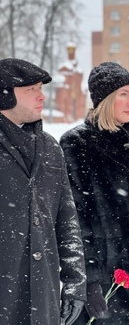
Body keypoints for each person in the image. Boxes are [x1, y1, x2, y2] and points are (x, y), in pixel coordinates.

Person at [60, 62, 129, 324]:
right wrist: (90, 279)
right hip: (108, 275)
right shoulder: (77, 143)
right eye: (123, 94)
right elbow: (76, 220)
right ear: (104, 99)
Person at [0, 58, 86, 325]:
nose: (42, 96)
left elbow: (67, 220)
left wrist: (74, 284)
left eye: (41, 88)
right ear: (5, 96)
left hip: (42, 297)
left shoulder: (50, 149)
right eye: (31, 89)